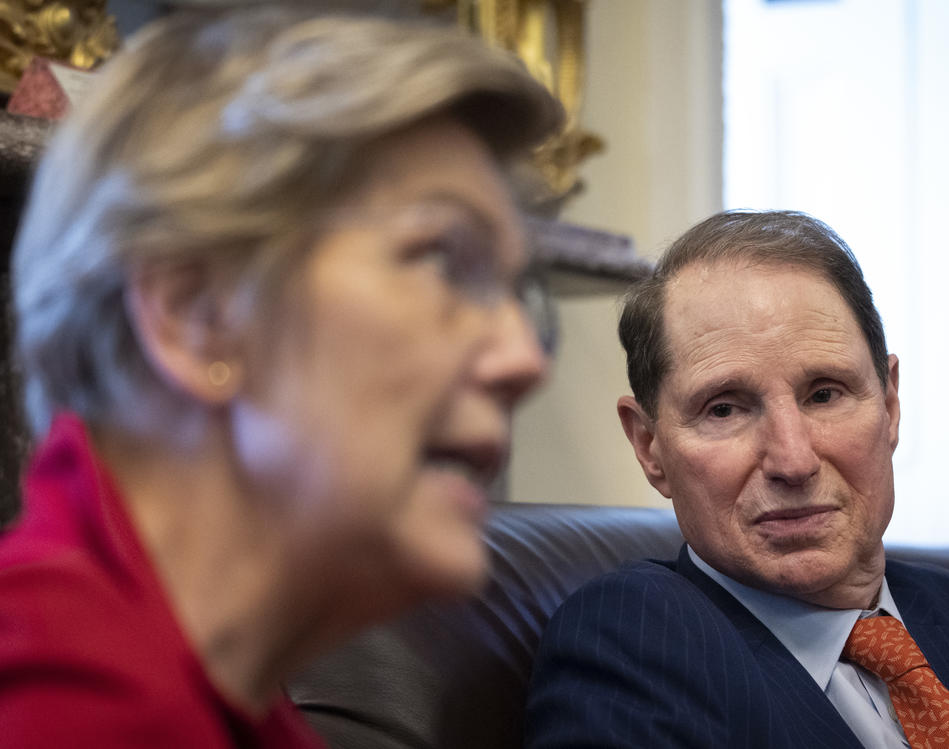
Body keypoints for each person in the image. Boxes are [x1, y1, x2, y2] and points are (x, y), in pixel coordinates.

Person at [0, 6, 564, 747]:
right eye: (440, 258)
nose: (524, 358)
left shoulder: (229, 708)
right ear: (196, 314)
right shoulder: (61, 704)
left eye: (512, 292)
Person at [525, 210, 949, 748]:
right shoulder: (632, 637)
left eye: (825, 394)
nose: (793, 461)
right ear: (649, 447)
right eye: (724, 409)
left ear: (889, 406)